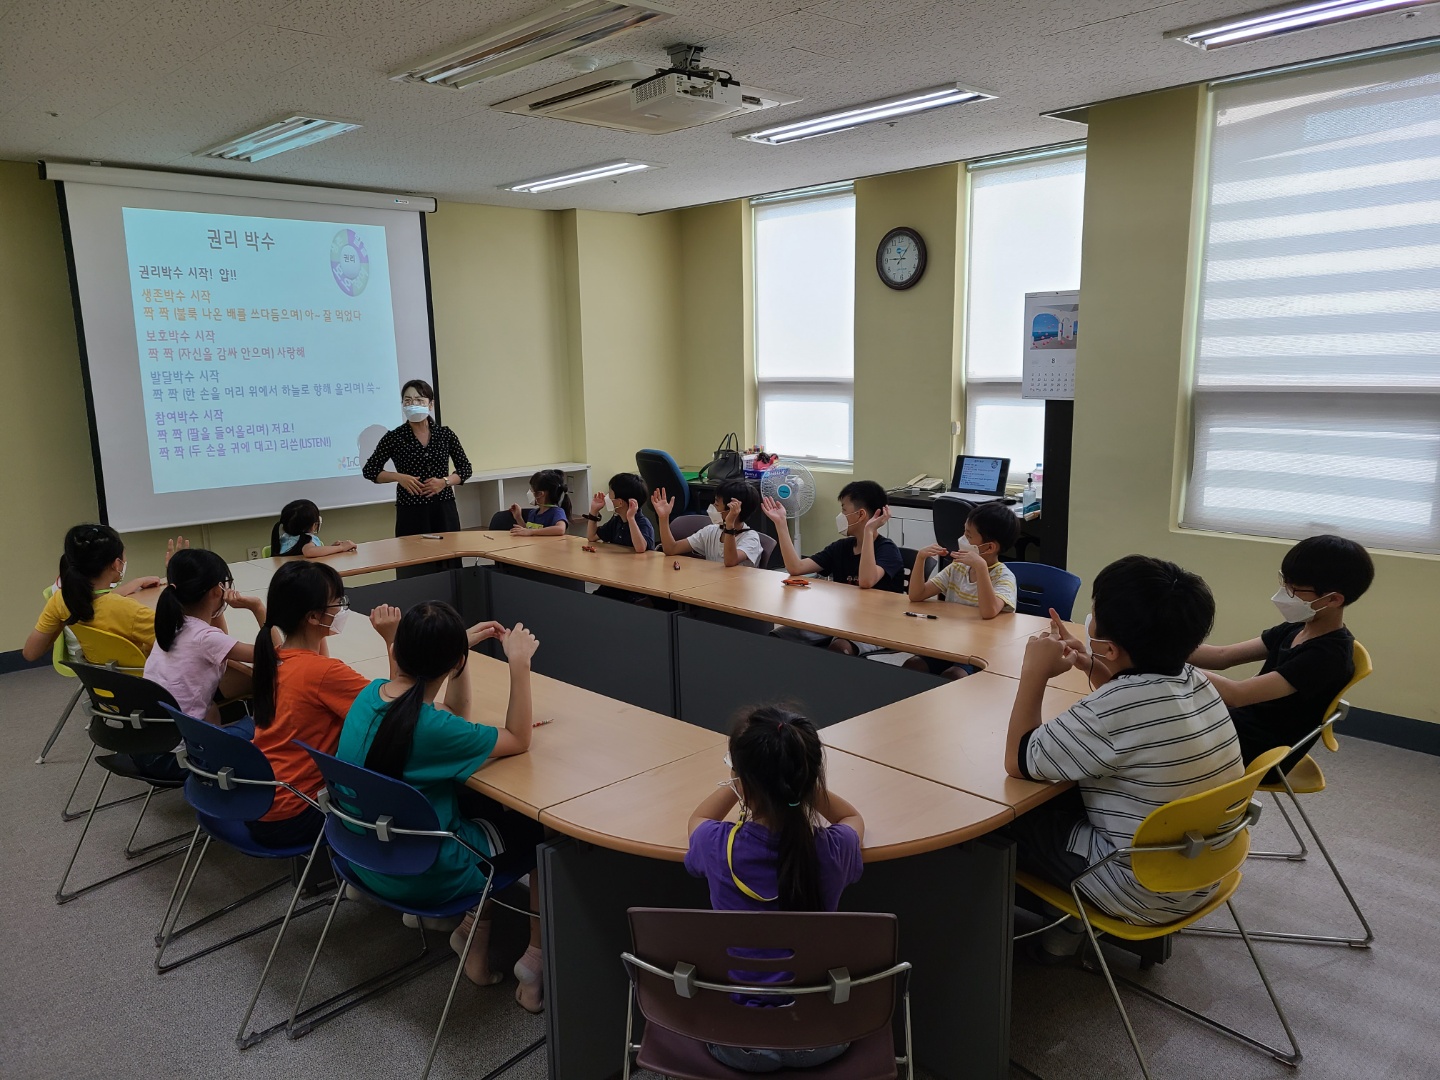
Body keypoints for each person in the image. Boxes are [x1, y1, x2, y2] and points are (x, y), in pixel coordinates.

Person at [1003, 555, 1242, 959]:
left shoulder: (1111, 711)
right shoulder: (1196, 680)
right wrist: (1088, 661)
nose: (1091, 618)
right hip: (1201, 869)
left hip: (1137, 891)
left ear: (1111, 647)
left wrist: (1034, 672)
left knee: (1003, 819)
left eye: (1094, 613)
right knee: (1063, 793)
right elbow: (1128, 706)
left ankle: (1062, 929)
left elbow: (1019, 758)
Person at [338, 602, 546, 1012]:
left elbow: (450, 712)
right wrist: (519, 665)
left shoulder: (368, 696)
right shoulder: (433, 730)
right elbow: (519, 739)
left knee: (473, 808)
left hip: (367, 859)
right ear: (451, 664)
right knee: (537, 831)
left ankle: (473, 934)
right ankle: (534, 960)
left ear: (398, 650)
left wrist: (457, 656)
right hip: (424, 875)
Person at [685, 705, 865, 1072]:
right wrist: (803, 786)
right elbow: (852, 817)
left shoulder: (717, 846)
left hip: (738, 1042)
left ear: (743, 782)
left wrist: (739, 783)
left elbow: (698, 818)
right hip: (820, 1039)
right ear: (810, 778)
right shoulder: (835, 850)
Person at [247, 561, 402, 849]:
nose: (342, 608)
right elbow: (393, 710)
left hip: (259, 804)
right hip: (297, 814)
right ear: (313, 617)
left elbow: (317, 671)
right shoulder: (323, 674)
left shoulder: (275, 657)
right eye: (337, 602)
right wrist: (392, 638)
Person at [1190, 534, 1373, 764]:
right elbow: (1222, 656)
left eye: (1294, 589)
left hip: (1258, 750)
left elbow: (1238, 694)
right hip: (1237, 726)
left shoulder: (1327, 656)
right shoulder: (1296, 628)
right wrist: (1163, 646)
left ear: (1333, 600)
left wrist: (1170, 662)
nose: (1285, 592)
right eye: (1285, 582)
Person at [762, 480, 903, 655]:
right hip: (840, 619)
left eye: (844, 510)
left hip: (876, 625)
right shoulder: (841, 547)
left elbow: (866, 581)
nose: (840, 516)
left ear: (861, 515)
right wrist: (781, 524)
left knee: (840, 648)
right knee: (778, 637)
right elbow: (796, 567)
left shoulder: (887, 550)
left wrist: (868, 532)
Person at [23, 524, 182, 663]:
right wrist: (180, 578)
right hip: (146, 681)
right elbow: (185, 645)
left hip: (101, 681)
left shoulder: (62, 600)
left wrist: (137, 582)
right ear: (117, 564)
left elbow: (30, 653)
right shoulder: (132, 612)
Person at [898, 502, 1021, 678]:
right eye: (964, 532)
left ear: (989, 547)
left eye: (968, 536)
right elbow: (917, 595)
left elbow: (989, 611)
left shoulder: (1004, 577)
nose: (962, 539)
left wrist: (980, 567)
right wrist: (920, 558)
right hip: (951, 643)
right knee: (913, 665)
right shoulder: (958, 568)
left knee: (955, 675)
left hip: (982, 650)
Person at [145, 547, 265, 726]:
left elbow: (221, 642)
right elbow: (275, 655)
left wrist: (215, 606)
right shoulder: (205, 639)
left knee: (213, 707)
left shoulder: (172, 623)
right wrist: (258, 608)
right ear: (218, 590)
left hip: (159, 725)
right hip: (186, 731)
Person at [362, 378, 473, 542]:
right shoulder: (394, 437)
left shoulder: (445, 434)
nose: (413, 404)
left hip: (443, 507)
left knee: (449, 553)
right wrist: (399, 477)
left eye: (419, 400)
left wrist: (444, 482)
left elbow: (465, 469)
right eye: (408, 400)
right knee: (414, 554)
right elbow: (370, 470)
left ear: (430, 404)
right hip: (411, 509)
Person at [651, 479, 765, 568]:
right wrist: (663, 518)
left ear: (732, 509)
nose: (713, 507)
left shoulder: (751, 538)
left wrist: (730, 525)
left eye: (717, 504)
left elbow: (730, 561)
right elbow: (671, 549)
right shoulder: (711, 531)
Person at [582, 472, 655, 553]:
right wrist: (594, 511)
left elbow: (640, 548)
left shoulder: (643, 523)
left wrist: (631, 519)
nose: (606, 497)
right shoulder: (616, 520)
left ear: (620, 502)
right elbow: (592, 537)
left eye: (610, 493)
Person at [487, 468, 572, 536]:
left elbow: (560, 529)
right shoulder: (533, 513)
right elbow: (527, 531)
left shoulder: (556, 512)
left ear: (540, 494)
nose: (530, 492)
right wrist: (518, 517)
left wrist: (531, 532)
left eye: (532, 490)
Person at [269, 499, 358, 558]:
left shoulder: (284, 538)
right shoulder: (308, 539)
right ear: (314, 525)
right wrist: (341, 547)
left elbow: (304, 554)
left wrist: (331, 548)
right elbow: (309, 552)